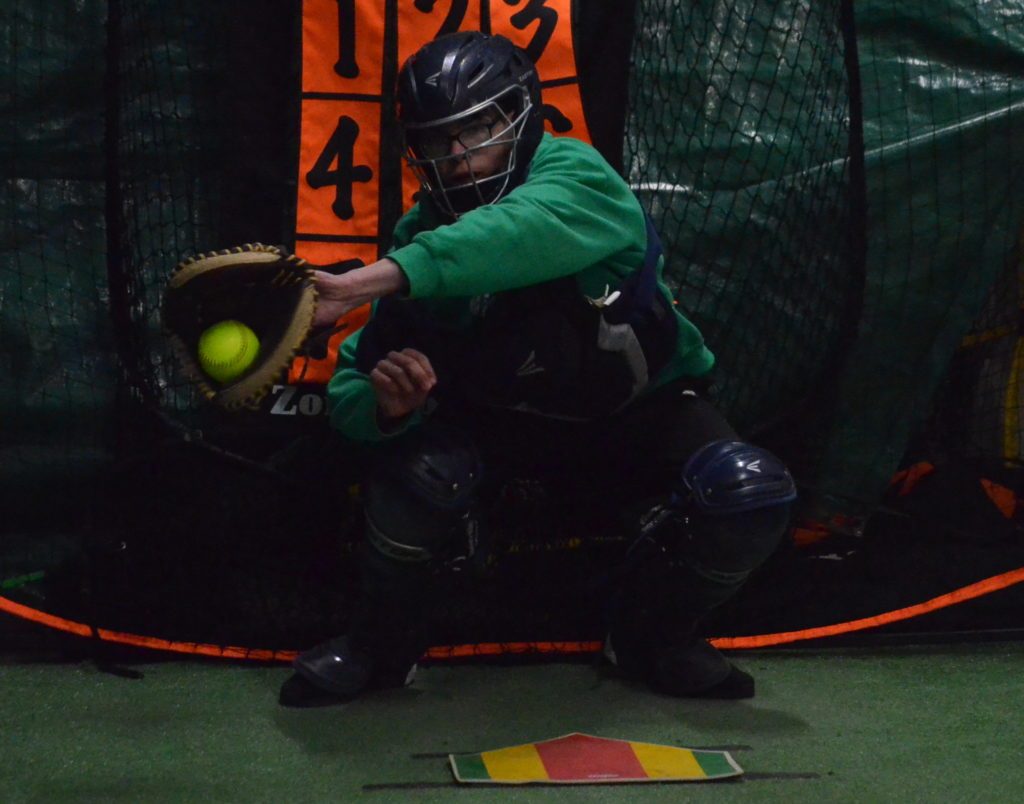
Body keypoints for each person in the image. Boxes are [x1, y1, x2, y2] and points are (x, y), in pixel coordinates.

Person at [279, 31, 795, 707]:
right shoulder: (421, 238)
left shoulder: (577, 180)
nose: (458, 159)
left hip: (635, 417)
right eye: (437, 141)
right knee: (418, 472)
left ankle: (656, 636)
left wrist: (359, 284)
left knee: (746, 489)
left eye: (479, 129)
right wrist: (384, 408)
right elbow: (353, 382)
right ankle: (382, 644)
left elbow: (515, 233)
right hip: (502, 437)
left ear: (523, 116)